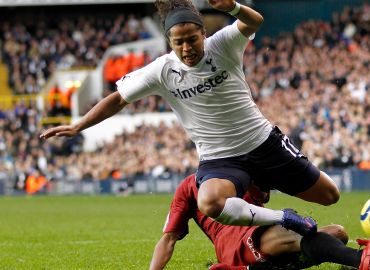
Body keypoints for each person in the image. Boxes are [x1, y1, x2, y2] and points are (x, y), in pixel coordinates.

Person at [40, 0, 340, 236]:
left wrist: (232, 7)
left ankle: (261, 185)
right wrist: (79, 125)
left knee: (330, 196)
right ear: (169, 42)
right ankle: (286, 218)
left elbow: (254, 21)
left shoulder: (222, 45)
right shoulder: (161, 70)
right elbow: (118, 98)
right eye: (178, 42)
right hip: (221, 158)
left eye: (192, 39)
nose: (186, 48)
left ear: (203, 34)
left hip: (263, 142)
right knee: (209, 202)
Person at [149, 174, 370, 270]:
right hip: (233, 241)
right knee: (294, 236)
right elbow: (168, 239)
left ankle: (273, 268)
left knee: (338, 233)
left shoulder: (242, 170)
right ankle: (360, 260)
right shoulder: (188, 187)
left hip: (261, 231)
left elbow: (265, 196)